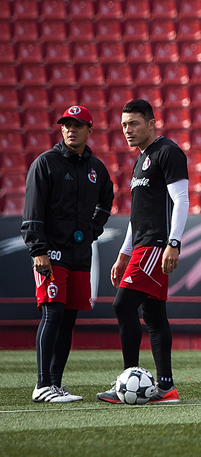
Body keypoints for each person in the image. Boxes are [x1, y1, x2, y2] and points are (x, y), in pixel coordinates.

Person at [97, 99, 189, 404]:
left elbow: (182, 200)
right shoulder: (140, 160)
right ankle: (166, 387)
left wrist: (173, 243)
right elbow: (138, 215)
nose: (127, 130)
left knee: (122, 306)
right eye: (124, 125)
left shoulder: (168, 153)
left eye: (133, 123)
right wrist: (124, 254)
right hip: (141, 245)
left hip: (155, 245)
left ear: (152, 123)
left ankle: (128, 378)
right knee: (152, 313)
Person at [22, 105, 114, 403]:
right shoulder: (45, 164)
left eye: (77, 125)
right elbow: (32, 210)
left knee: (69, 318)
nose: (70, 129)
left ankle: (56, 385)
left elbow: (107, 200)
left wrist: (93, 230)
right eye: (66, 125)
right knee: (53, 312)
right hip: (50, 253)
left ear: (90, 130)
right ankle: (42, 384)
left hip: (80, 254)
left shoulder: (96, 168)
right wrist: (38, 249)